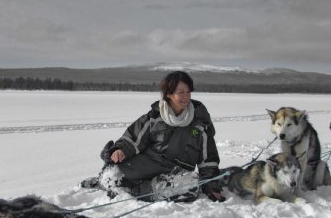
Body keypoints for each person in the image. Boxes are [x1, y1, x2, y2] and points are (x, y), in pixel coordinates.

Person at [81, 71, 225, 202]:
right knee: (111, 174)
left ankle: (127, 190)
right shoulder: (154, 117)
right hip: (147, 164)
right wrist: (120, 150)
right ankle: (106, 180)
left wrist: (211, 186)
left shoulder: (200, 122)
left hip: (174, 173)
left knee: (191, 187)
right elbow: (132, 139)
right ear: (169, 94)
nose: (186, 96)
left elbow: (208, 160)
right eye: (180, 92)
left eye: (188, 92)